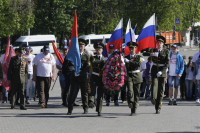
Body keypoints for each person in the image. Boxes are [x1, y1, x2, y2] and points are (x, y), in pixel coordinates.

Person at [67, 39, 90, 115]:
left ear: (84, 46)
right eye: (79, 45)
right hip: (75, 77)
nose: (80, 47)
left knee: (84, 93)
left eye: (82, 46)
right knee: (72, 93)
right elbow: (69, 64)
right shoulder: (73, 55)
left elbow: (88, 66)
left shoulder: (86, 56)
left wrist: (81, 72)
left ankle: (85, 108)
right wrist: (74, 71)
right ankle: (70, 109)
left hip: (83, 77)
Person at [150, 35, 169, 114]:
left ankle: (158, 107)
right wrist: (154, 54)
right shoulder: (153, 50)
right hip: (154, 69)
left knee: (160, 90)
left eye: (160, 43)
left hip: (162, 71)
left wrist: (162, 71)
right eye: (157, 42)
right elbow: (151, 60)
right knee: (154, 85)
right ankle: (153, 98)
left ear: (163, 44)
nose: (159, 44)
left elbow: (167, 63)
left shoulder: (166, 51)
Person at [124, 42, 143, 116]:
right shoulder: (126, 57)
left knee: (136, 93)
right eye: (130, 48)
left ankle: (133, 110)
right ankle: (130, 102)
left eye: (133, 48)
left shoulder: (139, 57)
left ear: (135, 49)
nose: (131, 49)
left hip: (137, 76)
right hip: (129, 75)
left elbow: (137, 64)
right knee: (130, 90)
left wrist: (129, 61)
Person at [88, 42, 104, 116]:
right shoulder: (92, 58)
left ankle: (99, 110)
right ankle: (91, 102)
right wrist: (89, 77)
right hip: (94, 76)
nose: (98, 50)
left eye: (99, 49)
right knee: (92, 91)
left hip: (102, 78)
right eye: (97, 49)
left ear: (102, 50)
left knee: (100, 95)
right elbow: (92, 65)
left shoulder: (105, 58)